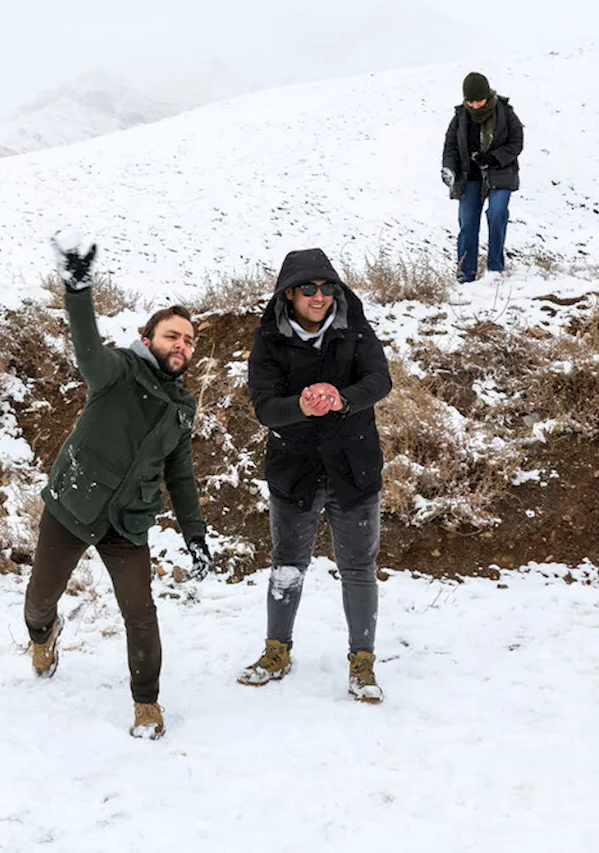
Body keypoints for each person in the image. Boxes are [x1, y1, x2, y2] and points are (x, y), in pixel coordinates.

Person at [24, 231, 212, 740]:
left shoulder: (181, 407)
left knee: (140, 613)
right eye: (173, 335)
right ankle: (43, 634)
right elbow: (85, 345)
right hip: (73, 503)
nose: (182, 345)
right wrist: (78, 289)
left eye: (189, 339)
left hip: (127, 520)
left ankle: (146, 702)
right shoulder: (116, 372)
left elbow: (181, 473)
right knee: (41, 598)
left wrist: (194, 534)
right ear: (148, 338)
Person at [239, 248, 392, 703]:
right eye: (309, 288)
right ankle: (276, 651)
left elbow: (380, 380)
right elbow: (264, 406)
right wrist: (300, 406)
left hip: (354, 468)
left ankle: (362, 661)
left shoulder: (354, 327)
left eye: (327, 288)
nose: (320, 296)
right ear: (290, 294)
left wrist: (341, 398)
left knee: (359, 569)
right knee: (287, 566)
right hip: (295, 470)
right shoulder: (269, 338)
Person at [441, 71, 525, 283]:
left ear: (488, 95)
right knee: (468, 224)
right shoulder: (459, 118)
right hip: (469, 178)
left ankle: (495, 270)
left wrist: (493, 158)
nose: (476, 105)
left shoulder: (505, 112)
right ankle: (465, 274)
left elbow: (516, 142)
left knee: (497, 214)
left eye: (479, 100)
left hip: (500, 174)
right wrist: (449, 169)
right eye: (471, 101)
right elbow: (450, 147)